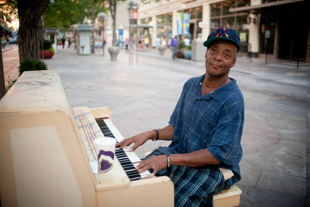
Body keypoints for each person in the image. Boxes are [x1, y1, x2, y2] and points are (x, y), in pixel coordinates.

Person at [118, 27, 244, 207]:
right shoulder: (191, 85)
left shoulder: (232, 99)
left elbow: (215, 155)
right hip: (180, 154)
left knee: (179, 201)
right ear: (206, 53)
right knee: (137, 180)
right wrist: (148, 134)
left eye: (226, 54)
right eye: (214, 50)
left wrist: (167, 160)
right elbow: (176, 127)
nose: (217, 57)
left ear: (233, 62)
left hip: (214, 168)